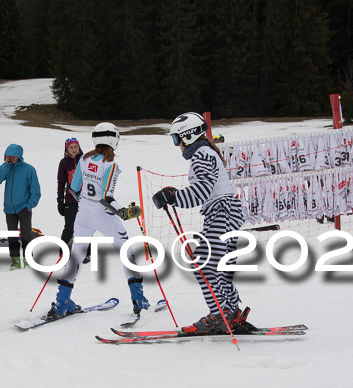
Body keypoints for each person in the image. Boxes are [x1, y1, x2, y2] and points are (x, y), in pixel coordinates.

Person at [152, 112, 249, 333]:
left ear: (189, 135)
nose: (177, 145)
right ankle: (230, 312)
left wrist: (174, 197)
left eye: (177, 139)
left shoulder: (202, 155)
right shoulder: (205, 153)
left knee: (204, 266)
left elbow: (201, 192)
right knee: (213, 267)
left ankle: (220, 315)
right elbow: (203, 189)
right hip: (223, 212)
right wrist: (173, 194)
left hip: (222, 212)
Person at [48, 123, 149, 319]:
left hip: (84, 213)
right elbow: (107, 197)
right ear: (113, 139)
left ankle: (62, 303)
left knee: (76, 254)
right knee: (126, 250)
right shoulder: (110, 164)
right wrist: (125, 212)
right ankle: (139, 301)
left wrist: (86, 203)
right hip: (105, 215)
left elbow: (74, 188)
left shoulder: (84, 159)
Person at [0, 143, 41, 270]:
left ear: (19, 156)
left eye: (13, 156)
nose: (11, 158)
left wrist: (30, 205)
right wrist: (6, 165)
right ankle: (14, 260)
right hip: (9, 209)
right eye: (8, 156)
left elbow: (35, 189)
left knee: (26, 234)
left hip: (24, 208)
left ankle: (27, 258)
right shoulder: (7, 168)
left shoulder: (29, 169)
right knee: (12, 235)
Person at [56, 137, 90, 263]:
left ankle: (86, 253)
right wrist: (60, 200)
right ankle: (63, 253)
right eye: (71, 147)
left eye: (75, 146)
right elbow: (61, 182)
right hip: (71, 199)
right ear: (67, 149)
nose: (74, 149)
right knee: (69, 227)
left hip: (86, 198)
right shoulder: (64, 163)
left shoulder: (86, 159)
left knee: (86, 226)